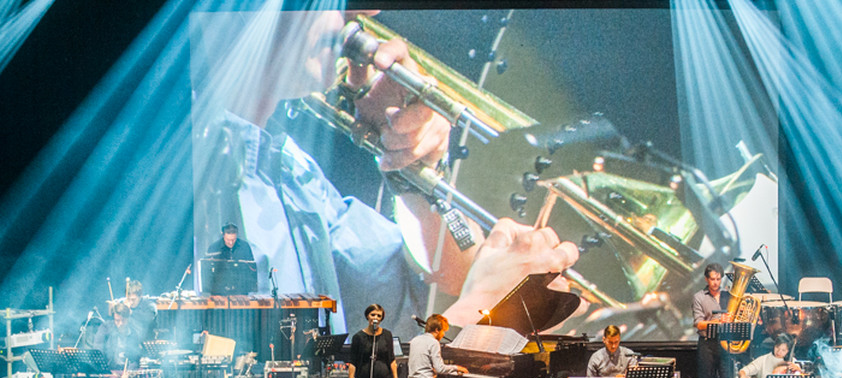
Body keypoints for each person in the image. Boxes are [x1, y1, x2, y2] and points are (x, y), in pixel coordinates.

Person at [191, 11, 579, 337]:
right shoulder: (187, 171)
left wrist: (411, 168)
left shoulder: (291, 170)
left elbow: (433, 285)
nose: (369, 9)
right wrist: (482, 313)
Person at [693, 262, 733, 378]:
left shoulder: (729, 296)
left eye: (718, 279)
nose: (716, 283)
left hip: (725, 344)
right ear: (706, 279)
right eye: (713, 279)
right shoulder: (699, 297)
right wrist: (717, 321)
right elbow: (698, 322)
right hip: (707, 343)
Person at [92, 304, 142, 369]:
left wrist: (129, 372)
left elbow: (135, 359)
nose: (120, 324)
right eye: (117, 320)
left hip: (126, 370)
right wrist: (105, 370)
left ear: (128, 319)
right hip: (110, 369)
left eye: (123, 320)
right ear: (113, 319)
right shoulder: (105, 328)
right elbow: (98, 350)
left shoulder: (133, 333)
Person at [115, 280, 156, 344]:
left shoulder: (149, 305)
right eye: (129, 299)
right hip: (128, 344)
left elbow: (148, 318)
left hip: (146, 342)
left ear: (140, 296)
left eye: (133, 299)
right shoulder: (124, 304)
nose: (130, 302)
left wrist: (131, 312)